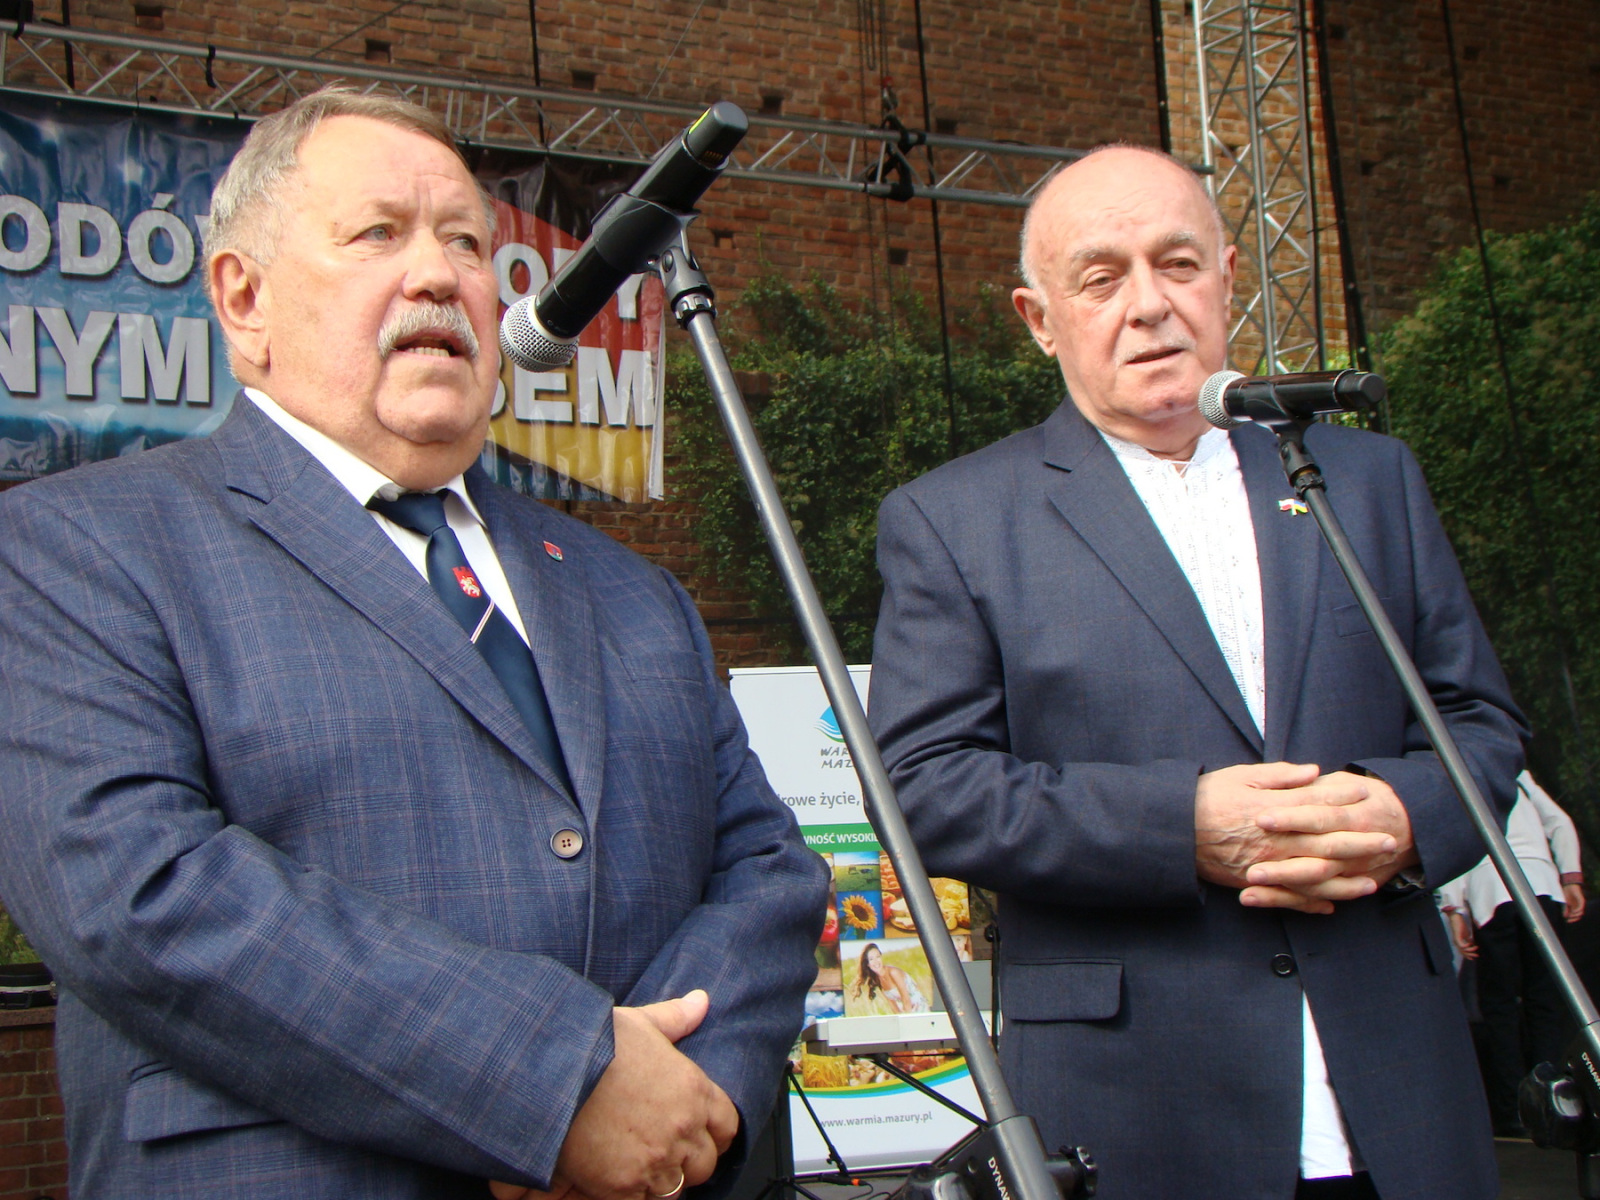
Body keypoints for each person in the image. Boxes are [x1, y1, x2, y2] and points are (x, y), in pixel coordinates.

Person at [0, 88, 828, 1199]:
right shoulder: (76, 548)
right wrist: (556, 1087)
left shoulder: (633, 594)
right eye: (378, 234)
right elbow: (137, 892)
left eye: (468, 244)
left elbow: (768, 869)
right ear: (244, 298)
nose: (440, 274)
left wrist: (676, 1103)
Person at [868, 144, 1527, 1200]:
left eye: (1177, 264)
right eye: (1100, 278)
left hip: (1402, 1093)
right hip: (1137, 1106)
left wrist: (1406, 818)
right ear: (1039, 320)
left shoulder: (1365, 479)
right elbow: (925, 787)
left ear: (1226, 278)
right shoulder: (954, 520)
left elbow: (1479, 721)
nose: (1148, 305)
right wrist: (1180, 827)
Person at [1440, 770, 1585, 1135]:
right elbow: (1561, 823)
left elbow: (1455, 840)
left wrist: (1455, 909)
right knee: (1545, 1000)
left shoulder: (1457, 774)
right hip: (1542, 888)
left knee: (1500, 1005)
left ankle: (1515, 1109)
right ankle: (1554, 1104)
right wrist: (1570, 877)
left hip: (1493, 891)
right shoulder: (1518, 776)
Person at [849, 942, 929, 1014]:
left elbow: (906, 998)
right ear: (867, 964)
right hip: (904, 1011)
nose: (876, 961)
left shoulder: (893, 972)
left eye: (878, 957)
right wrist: (899, 1016)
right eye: (871, 959)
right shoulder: (877, 979)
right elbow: (891, 1003)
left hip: (917, 1007)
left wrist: (907, 1017)